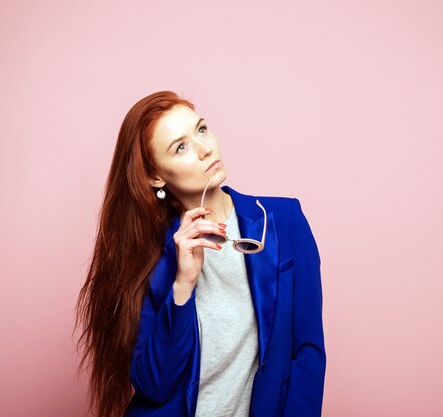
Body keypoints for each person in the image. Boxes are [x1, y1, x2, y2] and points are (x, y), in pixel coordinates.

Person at [75, 91, 326, 417]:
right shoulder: (149, 257)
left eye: (202, 130)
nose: (205, 148)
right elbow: (154, 386)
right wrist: (183, 285)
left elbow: (306, 351)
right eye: (181, 147)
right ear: (156, 177)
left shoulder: (283, 220)